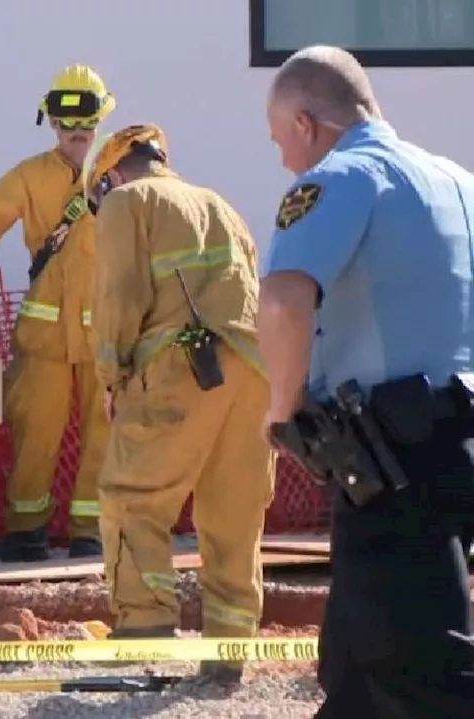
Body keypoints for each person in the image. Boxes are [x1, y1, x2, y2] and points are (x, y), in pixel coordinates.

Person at [259, 45, 474, 716]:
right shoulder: (455, 180)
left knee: (422, 674)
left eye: (279, 141)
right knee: (354, 669)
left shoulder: (341, 177)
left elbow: (284, 297)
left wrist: (281, 409)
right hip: (452, 444)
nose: (284, 161)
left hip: (390, 459)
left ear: (305, 122)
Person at [89, 124, 273, 684]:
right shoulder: (221, 205)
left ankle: (143, 635)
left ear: (113, 173)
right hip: (254, 373)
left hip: (179, 367)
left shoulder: (126, 201)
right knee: (233, 518)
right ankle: (228, 656)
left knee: (133, 499)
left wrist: (112, 376)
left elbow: (119, 295)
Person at [0, 64, 115, 561]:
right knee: (34, 433)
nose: (76, 131)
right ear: (51, 123)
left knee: (106, 435)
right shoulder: (30, 176)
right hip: (45, 337)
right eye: (65, 120)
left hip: (107, 337)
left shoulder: (121, 175)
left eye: (86, 119)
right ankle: (27, 532)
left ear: (100, 119)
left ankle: (90, 534)